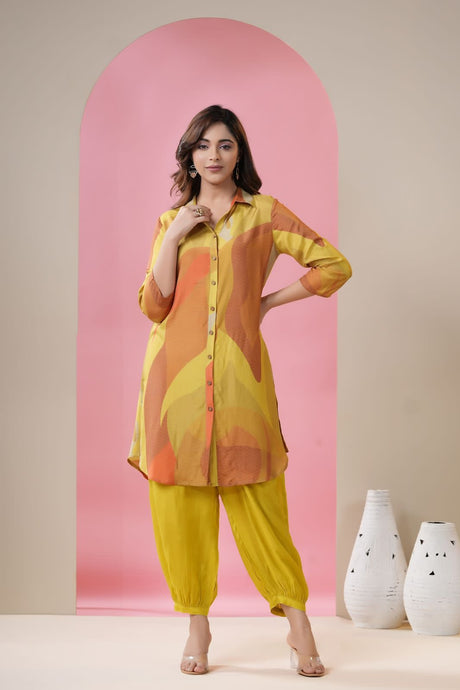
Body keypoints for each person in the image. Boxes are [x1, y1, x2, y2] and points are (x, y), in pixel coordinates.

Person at [128, 105, 351, 677]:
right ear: (189, 156)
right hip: (172, 384)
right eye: (203, 145)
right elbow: (154, 305)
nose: (214, 155)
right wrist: (176, 234)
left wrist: (267, 302)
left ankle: (298, 622)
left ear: (239, 153)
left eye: (225, 145)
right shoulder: (170, 221)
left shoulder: (265, 215)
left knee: (260, 499)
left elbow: (333, 265)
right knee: (180, 506)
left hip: (239, 379)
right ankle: (197, 625)